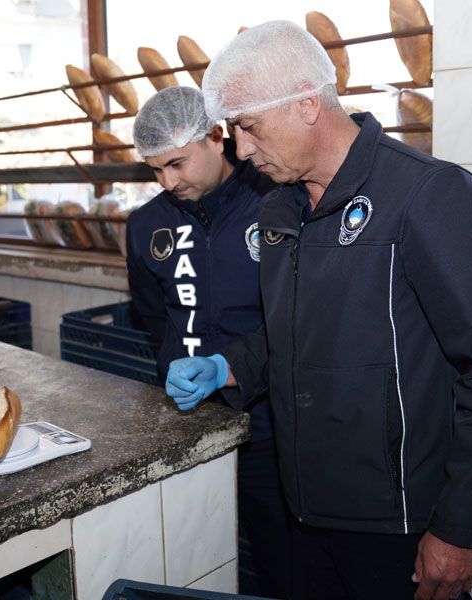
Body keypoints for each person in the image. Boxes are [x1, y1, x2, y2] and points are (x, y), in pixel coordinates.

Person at [165, 21, 472, 600]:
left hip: (398, 523)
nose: (242, 148)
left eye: (249, 126)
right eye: (234, 131)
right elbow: (290, 330)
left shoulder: (427, 195)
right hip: (305, 509)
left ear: (307, 102)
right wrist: (228, 366)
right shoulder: (278, 206)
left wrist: (459, 529)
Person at [124, 86, 292, 598]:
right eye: (155, 170)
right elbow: (154, 317)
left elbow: (301, 318)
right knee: (192, 556)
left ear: (218, 138)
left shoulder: (275, 202)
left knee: (281, 559)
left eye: (177, 163)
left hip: (271, 423)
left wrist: (233, 365)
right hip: (187, 422)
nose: (168, 181)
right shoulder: (147, 225)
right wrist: (177, 361)